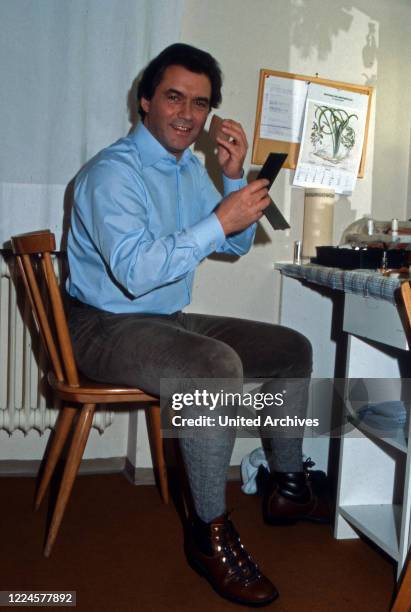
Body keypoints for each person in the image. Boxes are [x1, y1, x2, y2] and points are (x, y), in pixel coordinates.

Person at [66, 43, 328, 607]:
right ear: (145, 101)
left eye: (200, 103)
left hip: (163, 319)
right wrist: (217, 219)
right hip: (102, 324)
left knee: (290, 347)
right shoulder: (112, 173)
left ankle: (288, 486)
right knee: (213, 366)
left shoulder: (185, 167)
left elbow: (232, 244)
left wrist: (233, 178)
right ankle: (208, 533)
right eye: (174, 97)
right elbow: (135, 273)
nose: (187, 114)